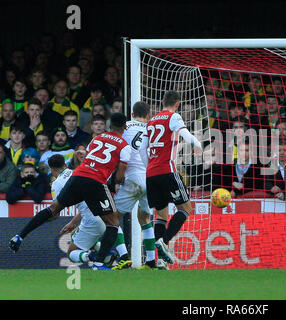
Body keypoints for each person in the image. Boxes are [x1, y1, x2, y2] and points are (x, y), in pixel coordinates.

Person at [9, 113, 132, 271]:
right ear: (125, 127)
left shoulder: (97, 139)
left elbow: (92, 157)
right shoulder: (124, 145)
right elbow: (120, 176)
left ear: (109, 126)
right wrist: (119, 182)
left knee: (53, 209)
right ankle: (101, 262)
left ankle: (20, 235)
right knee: (113, 222)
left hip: (78, 176)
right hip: (96, 181)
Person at [139, 90, 202, 265]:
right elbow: (185, 134)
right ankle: (164, 241)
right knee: (186, 209)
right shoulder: (173, 117)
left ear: (161, 101)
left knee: (161, 216)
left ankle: (160, 261)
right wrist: (197, 145)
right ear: (177, 104)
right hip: (167, 170)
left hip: (151, 174)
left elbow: (142, 150)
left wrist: (149, 168)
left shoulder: (150, 121)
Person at [113, 101, 165, 270]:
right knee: (144, 218)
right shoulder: (153, 128)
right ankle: (151, 261)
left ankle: (123, 256)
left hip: (133, 176)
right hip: (150, 178)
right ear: (148, 115)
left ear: (132, 114)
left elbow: (117, 148)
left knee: (110, 218)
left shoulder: (125, 126)